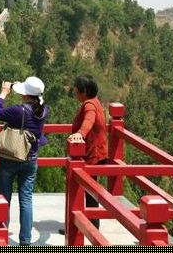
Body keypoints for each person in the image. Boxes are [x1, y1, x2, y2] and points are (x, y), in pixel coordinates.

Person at [0, 76, 49, 246]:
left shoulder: (19, 110)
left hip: (11, 158)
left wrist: (3, 93)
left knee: (4, 198)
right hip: (31, 158)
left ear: (25, 94)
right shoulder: (44, 110)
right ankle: (25, 241)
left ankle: (1, 235)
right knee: (26, 199)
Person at [66, 74, 108, 230]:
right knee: (88, 191)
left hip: (92, 155)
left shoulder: (89, 105)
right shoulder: (95, 101)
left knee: (87, 192)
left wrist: (80, 134)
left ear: (83, 91)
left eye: (76, 90)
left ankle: (88, 226)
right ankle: (85, 224)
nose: (74, 92)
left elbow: (89, 119)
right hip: (93, 153)